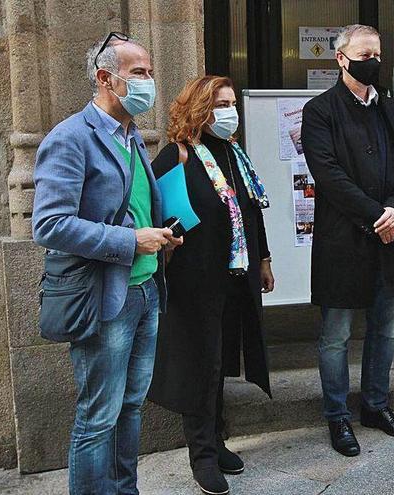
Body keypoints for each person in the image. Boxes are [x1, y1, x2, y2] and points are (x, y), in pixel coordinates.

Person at [32, 32, 182, 494]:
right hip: (104, 299)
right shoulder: (71, 138)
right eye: (139, 74)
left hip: (145, 290)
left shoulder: (132, 135)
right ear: (105, 78)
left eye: (151, 73)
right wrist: (129, 240)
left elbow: (133, 205)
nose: (149, 82)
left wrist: (159, 236)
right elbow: (50, 225)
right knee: (98, 417)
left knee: (132, 406)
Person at [146, 75, 274, 495]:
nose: (229, 111)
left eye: (232, 102)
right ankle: (201, 455)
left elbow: (251, 211)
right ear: (199, 108)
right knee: (200, 365)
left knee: (219, 362)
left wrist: (265, 259)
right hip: (195, 281)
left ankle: (217, 440)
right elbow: (155, 215)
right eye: (220, 103)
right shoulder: (177, 156)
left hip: (237, 276)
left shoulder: (235, 153)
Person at [301, 24, 394, 457]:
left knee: (384, 331)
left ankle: (375, 405)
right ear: (341, 58)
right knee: (336, 335)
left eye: (378, 54)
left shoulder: (389, 107)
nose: (373, 61)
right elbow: (328, 176)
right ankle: (337, 416)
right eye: (364, 54)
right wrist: (377, 215)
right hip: (343, 240)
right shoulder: (319, 111)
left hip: (390, 237)